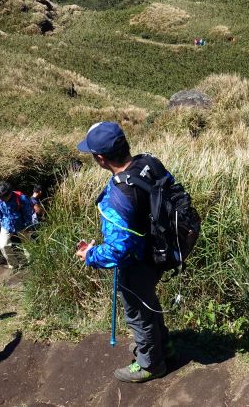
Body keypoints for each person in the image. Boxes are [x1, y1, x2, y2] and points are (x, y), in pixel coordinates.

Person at [74, 121, 171, 383]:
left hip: (137, 261)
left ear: (101, 159)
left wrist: (90, 255)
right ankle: (162, 344)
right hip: (159, 250)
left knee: (137, 313)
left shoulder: (118, 194)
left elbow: (118, 250)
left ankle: (151, 363)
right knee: (147, 299)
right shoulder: (149, 163)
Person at [0, 182, 35, 268]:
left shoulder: (21, 198)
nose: (2, 200)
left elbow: (28, 213)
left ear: (10, 193)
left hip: (22, 224)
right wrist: (1, 221)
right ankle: (13, 265)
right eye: (1, 198)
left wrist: (28, 226)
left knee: (28, 244)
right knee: (3, 245)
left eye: (4, 198)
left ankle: (32, 263)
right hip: (6, 224)